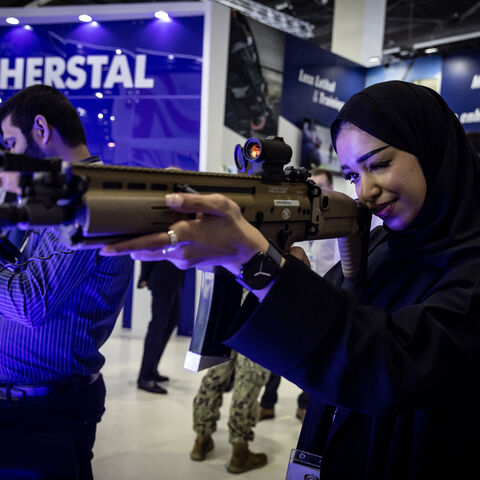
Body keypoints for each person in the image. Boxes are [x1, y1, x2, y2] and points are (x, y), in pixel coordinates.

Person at [102, 80, 480, 479]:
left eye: (379, 164)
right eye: (352, 175)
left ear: (433, 152)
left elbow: (392, 364)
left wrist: (256, 262)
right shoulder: (386, 243)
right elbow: (333, 330)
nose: (365, 191)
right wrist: (265, 268)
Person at [0, 84, 133, 480]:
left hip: (45, 414)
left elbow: (30, 302)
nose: (7, 156)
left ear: (41, 129)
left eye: (10, 142)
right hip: (26, 408)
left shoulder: (94, 198)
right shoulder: (53, 193)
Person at [259, 168, 339, 423]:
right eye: (312, 185)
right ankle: (267, 403)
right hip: (291, 289)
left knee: (313, 350)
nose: (317, 190)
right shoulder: (295, 218)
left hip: (322, 292)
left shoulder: (339, 221)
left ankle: (305, 405)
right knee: (277, 348)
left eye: (322, 186)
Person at [190, 348, 269, 474]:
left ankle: (201, 441)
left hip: (224, 330)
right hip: (254, 332)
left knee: (214, 378)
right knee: (247, 384)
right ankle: (239, 453)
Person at [136, 260, 184, 394]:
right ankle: (145, 377)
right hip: (162, 277)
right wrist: (144, 276)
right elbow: (149, 248)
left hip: (173, 277)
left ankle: (151, 370)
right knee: (158, 327)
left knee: (170, 322)